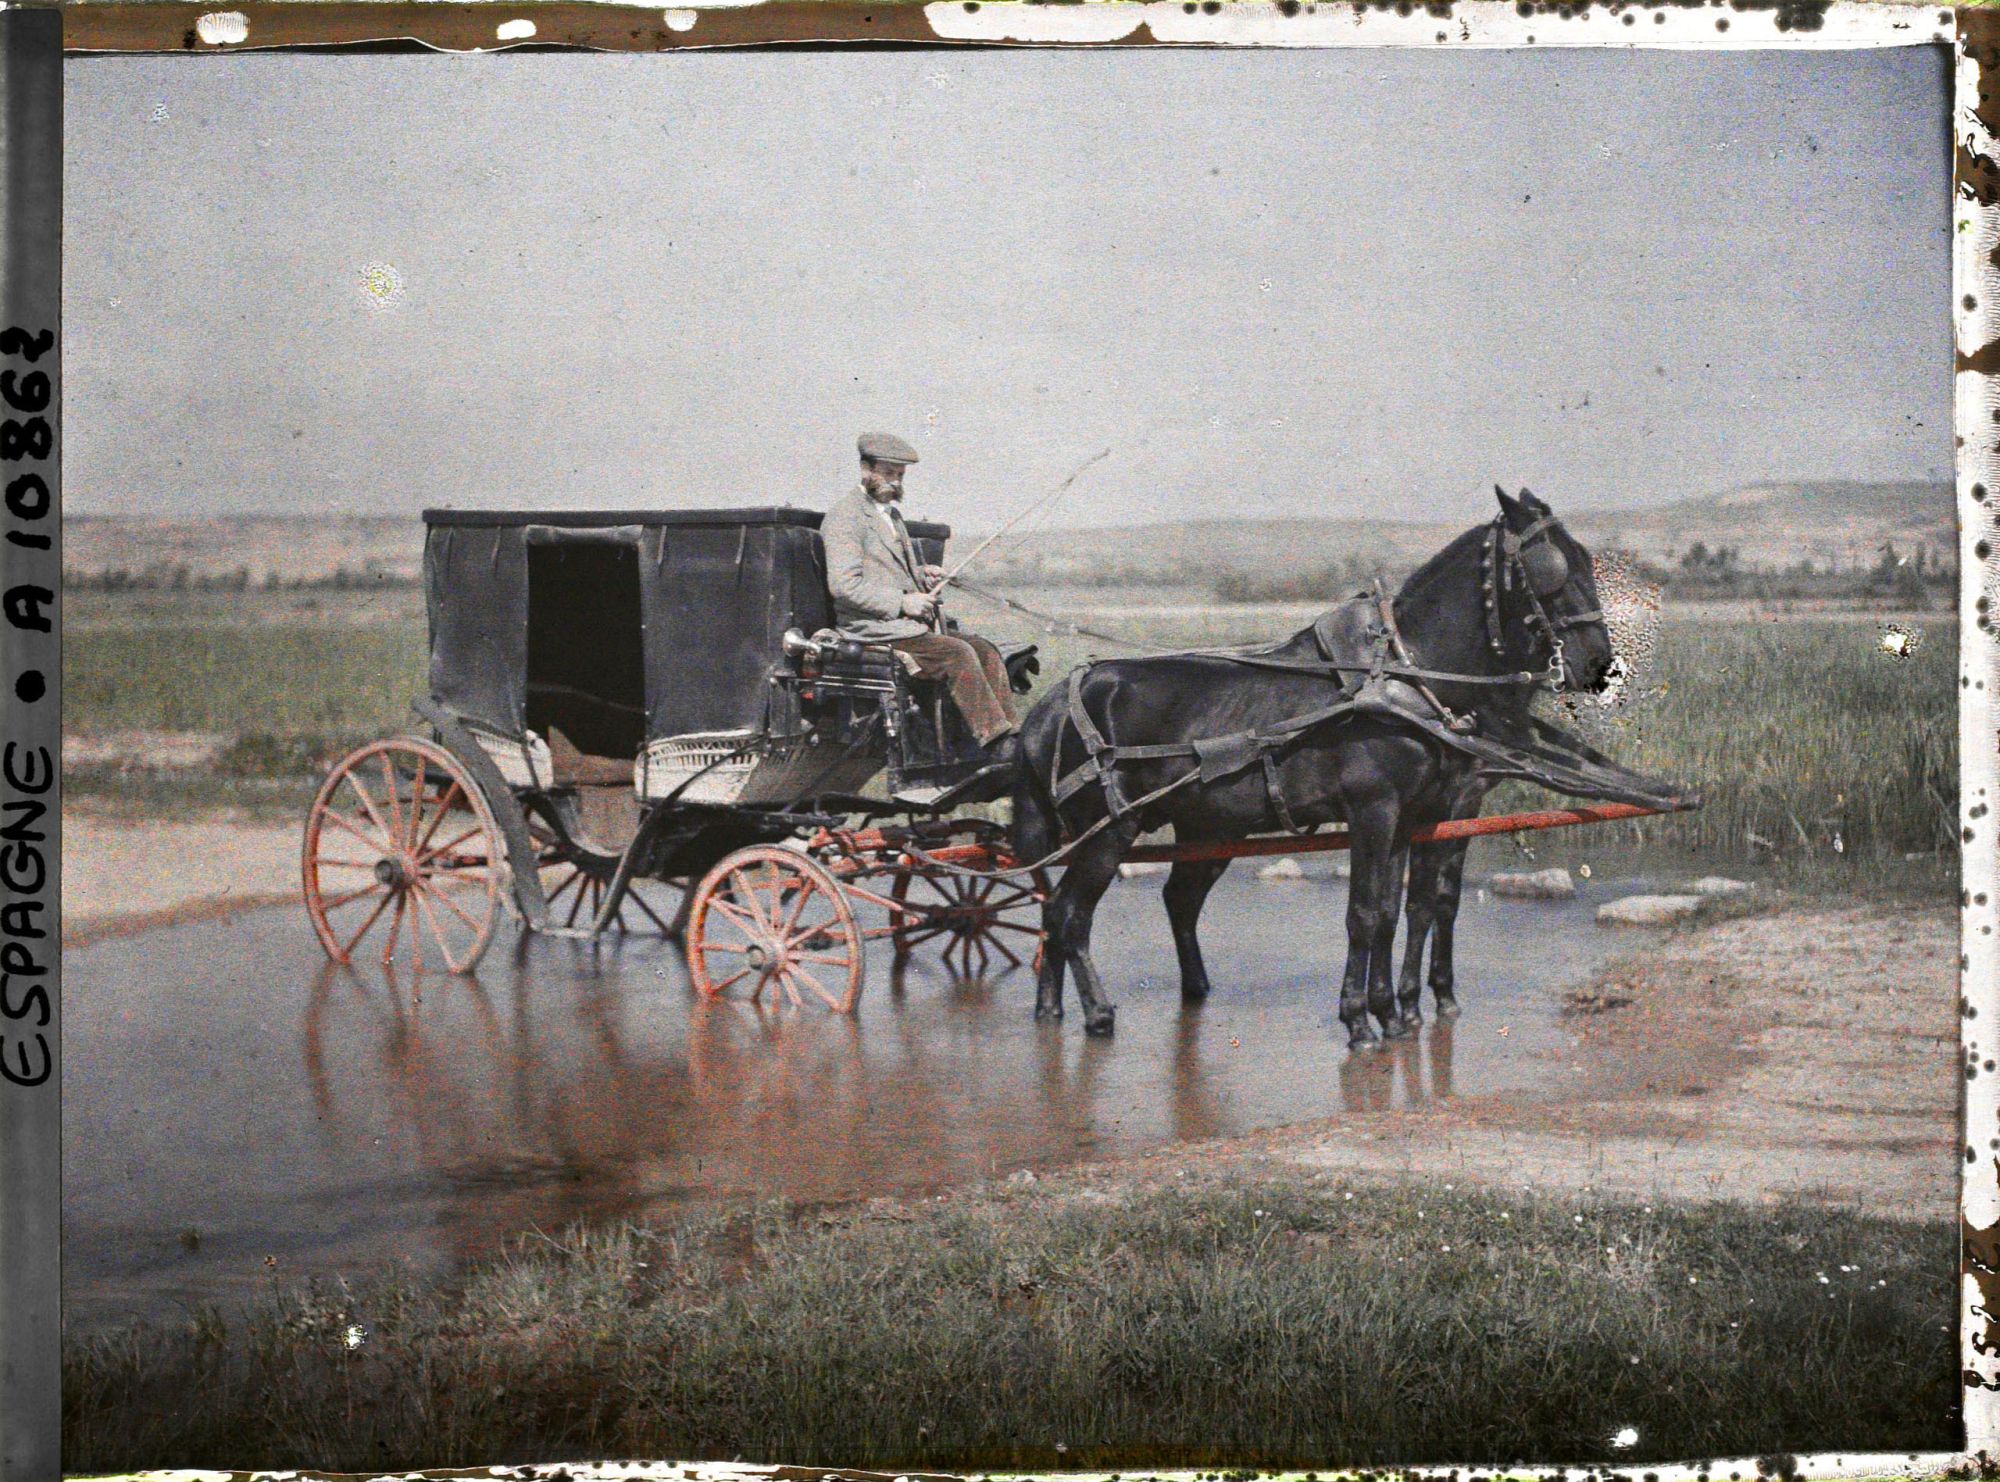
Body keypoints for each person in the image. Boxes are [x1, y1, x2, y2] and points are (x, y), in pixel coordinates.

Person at [821, 432, 1020, 755]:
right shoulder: (846, 518)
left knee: (985, 650)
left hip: (904, 627)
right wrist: (903, 602)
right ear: (865, 469)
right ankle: (994, 744)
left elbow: (890, 570)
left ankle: (1012, 734)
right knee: (958, 653)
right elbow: (843, 586)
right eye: (888, 473)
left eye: (899, 475)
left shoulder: (891, 516)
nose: (895, 482)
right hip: (873, 629)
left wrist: (922, 575)